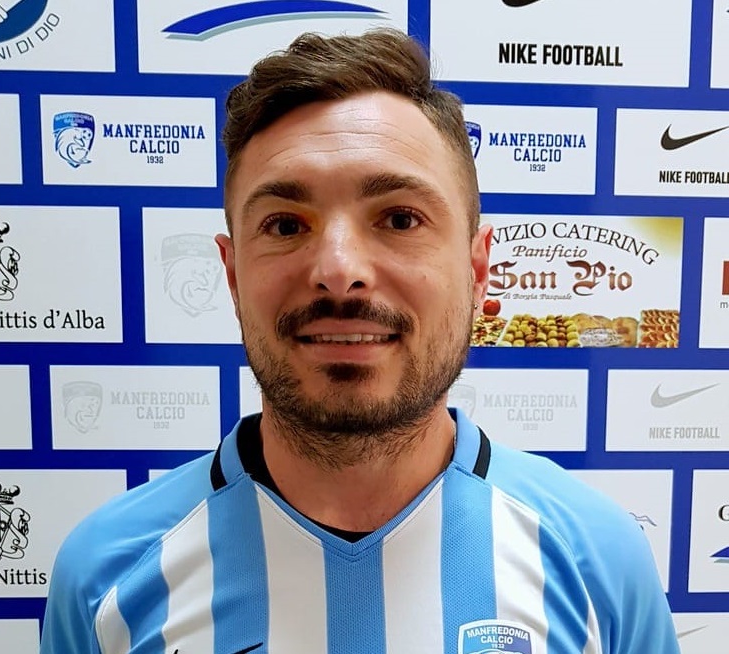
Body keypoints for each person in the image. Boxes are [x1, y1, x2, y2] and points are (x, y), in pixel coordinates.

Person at [41, 29, 679, 653]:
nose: (338, 268)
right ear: (232, 276)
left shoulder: (596, 561)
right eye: (285, 225)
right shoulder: (106, 579)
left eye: (400, 218)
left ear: (477, 269)